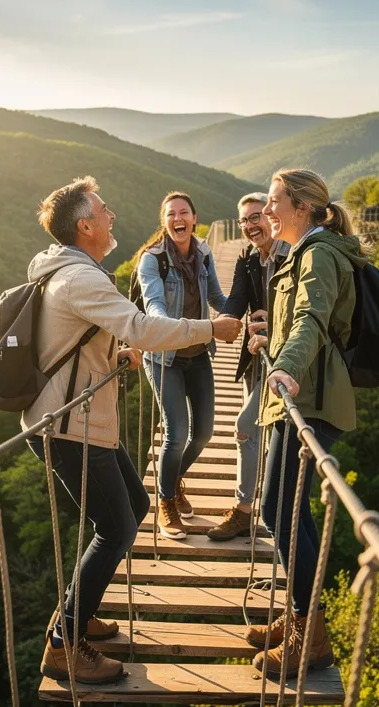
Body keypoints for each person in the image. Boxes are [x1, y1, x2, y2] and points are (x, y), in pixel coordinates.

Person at [24, 176, 242, 684]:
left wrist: (113, 353)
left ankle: (82, 615)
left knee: (137, 508)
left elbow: (79, 337)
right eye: (104, 210)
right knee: (118, 527)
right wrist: (213, 330)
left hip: (85, 421)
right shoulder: (81, 278)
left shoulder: (72, 271)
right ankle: (64, 644)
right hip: (68, 426)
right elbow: (144, 325)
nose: (112, 215)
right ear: (85, 225)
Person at [245, 168, 365, 680]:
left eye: (273, 202)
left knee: (279, 508)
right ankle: (301, 618)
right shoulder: (306, 251)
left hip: (309, 398)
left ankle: (309, 635)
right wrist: (267, 340)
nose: (267, 211)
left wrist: (284, 369)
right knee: (289, 512)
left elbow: (313, 322)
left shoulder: (317, 254)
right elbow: (299, 320)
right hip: (301, 392)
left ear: (299, 207)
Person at [136, 192, 228, 540]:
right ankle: (165, 501)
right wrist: (174, 329)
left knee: (203, 433)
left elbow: (217, 298)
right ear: (165, 221)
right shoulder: (152, 260)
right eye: (171, 213)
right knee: (176, 433)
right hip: (164, 358)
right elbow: (154, 305)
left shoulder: (204, 253)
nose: (178, 217)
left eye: (184, 212)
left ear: (194, 218)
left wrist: (249, 313)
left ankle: (172, 481)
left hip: (199, 355)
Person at [206, 193, 289, 541]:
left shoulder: (293, 254)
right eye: (244, 221)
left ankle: (246, 511)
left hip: (287, 361)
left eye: (256, 216)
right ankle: (264, 507)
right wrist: (217, 324)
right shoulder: (248, 257)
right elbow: (238, 299)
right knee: (257, 433)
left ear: (271, 215)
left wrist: (276, 320)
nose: (251, 225)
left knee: (245, 426)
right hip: (257, 356)